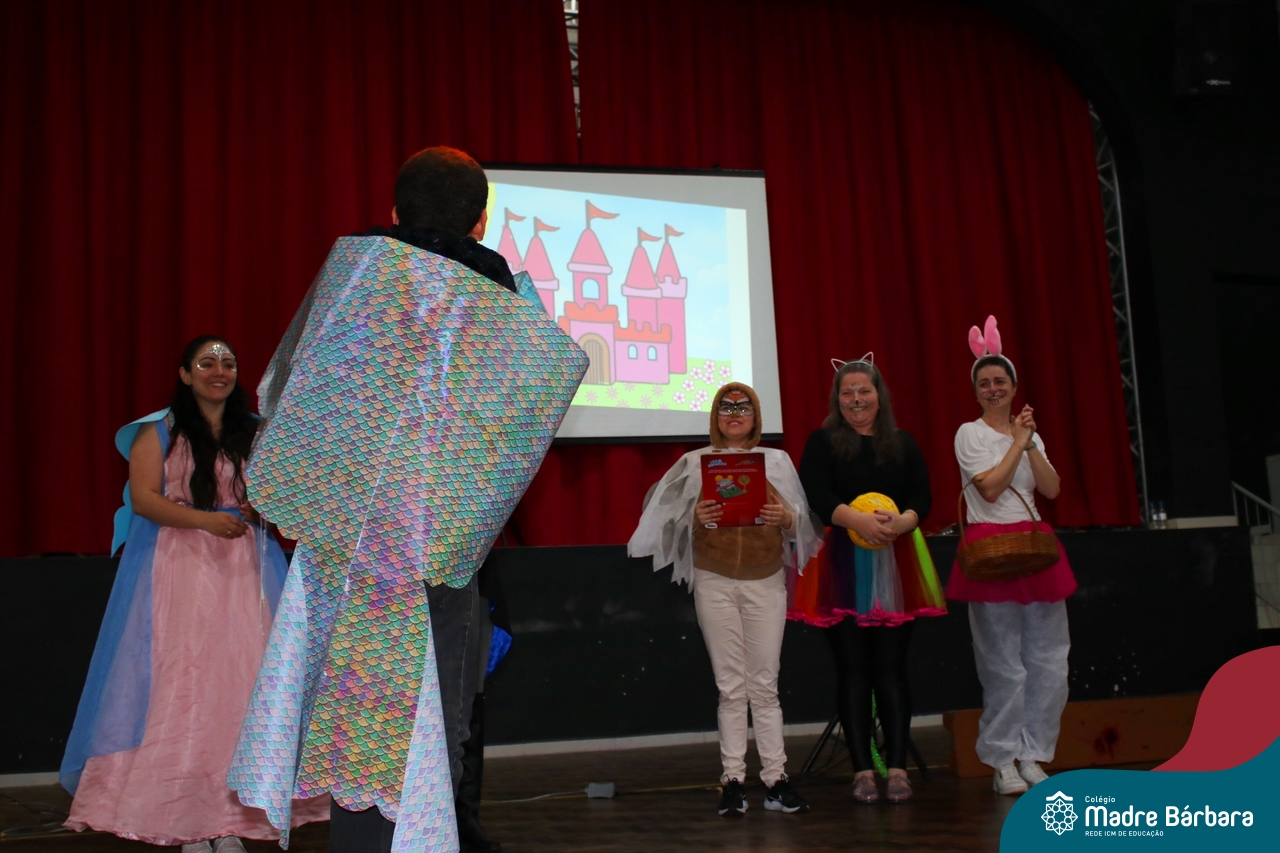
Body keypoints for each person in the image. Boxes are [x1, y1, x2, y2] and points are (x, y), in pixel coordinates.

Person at [226, 146, 587, 853]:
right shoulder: (509, 307)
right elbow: (518, 431)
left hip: (340, 546)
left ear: (394, 211)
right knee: (427, 725)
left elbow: (288, 395)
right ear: (481, 221)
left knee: (347, 717)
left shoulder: (354, 277)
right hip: (434, 551)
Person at [60, 336, 329, 853]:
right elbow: (144, 499)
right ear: (185, 374)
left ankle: (230, 821)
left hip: (245, 570)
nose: (219, 371)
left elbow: (283, 495)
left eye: (228, 363)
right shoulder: (159, 431)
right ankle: (183, 818)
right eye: (207, 363)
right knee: (183, 682)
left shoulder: (255, 432)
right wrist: (205, 522)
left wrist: (258, 510)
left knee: (243, 681)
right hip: (181, 569)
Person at [630, 383, 823, 817]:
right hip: (714, 580)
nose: (735, 413)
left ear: (757, 417)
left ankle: (775, 780)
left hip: (765, 581)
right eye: (726, 407)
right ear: (715, 416)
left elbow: (804, 527)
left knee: (765, 685)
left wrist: (786, 517)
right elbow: (660, 521)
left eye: (744, 407)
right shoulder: (693, 464)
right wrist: (693, 517)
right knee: (730, 686)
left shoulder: (777, 462)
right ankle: (733, 780)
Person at [791, 356, 947, 804]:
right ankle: (862, 770)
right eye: (848, 393)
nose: (857, 399)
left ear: (880, 395)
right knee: (853, 671)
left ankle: (896, 768)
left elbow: (922, 495)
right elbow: (814, 493)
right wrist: (857, 520)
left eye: (864, 391)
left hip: (896, 561)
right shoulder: (823, 442)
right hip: (841, 564)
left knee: (892, 670)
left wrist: (904, 522)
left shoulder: (902, 443)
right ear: (837, 400)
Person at [945, 316, 1075, 796]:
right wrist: (1017, 443)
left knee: (1050, 660)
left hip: (1036, 549)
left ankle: (1034, 754)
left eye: (1000, 381)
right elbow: (991, 489)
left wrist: (1029, 443)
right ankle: (1002, 760)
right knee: (1002, 663)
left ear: (1015, 387)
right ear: (976, 392)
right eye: (984, 383)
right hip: (991, 549)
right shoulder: (969, 433)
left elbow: (1052, 489)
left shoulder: (1029, 435)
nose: (993, 389)